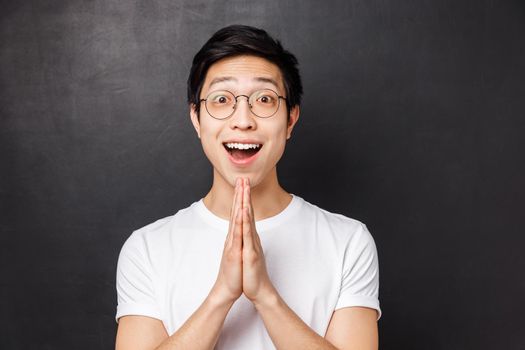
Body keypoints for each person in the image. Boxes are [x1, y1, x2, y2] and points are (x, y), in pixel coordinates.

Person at [115, 24, 381, 350]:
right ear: (197, 119)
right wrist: (222, 295)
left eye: (265, 99)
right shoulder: (146, 248)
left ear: (291, 120)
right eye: (222, 99)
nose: (243, 120)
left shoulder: (348, 242)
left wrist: (264, 295)